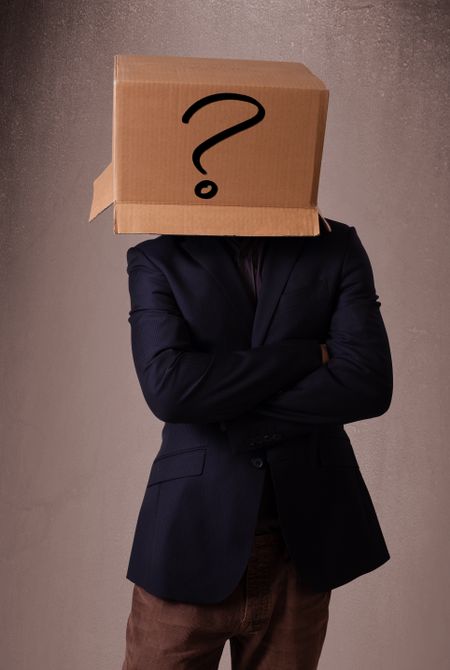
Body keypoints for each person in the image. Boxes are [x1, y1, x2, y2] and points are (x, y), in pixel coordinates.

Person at [121, 214, 393, 669]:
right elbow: (170, 390)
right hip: (190, 537)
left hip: (302, 544)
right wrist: (306, 355)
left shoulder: (334, 244)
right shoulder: (157, 258)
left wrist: (225, 408)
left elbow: (367, 382)